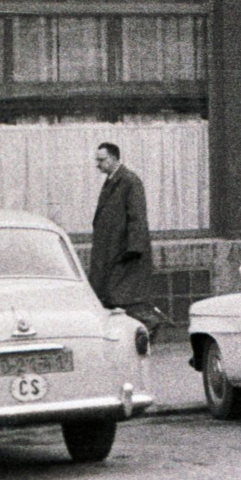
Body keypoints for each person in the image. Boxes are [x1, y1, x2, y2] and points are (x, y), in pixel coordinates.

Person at [91, 142, 166, 337]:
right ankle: (133, 333)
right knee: (112, 296)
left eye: (101, 160)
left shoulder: (130, 181)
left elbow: (137, 216)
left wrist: (134, 249)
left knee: (122, 297)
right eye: (97, 160)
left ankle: (150, 324)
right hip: (111, 250)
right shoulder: (112, 181)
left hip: (123, 252)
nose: (97, 164)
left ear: (115, 159)